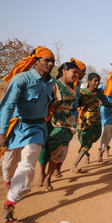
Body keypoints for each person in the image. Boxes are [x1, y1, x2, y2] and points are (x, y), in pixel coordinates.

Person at [0, 46, 56, 222]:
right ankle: (10, 186)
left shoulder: (51, 83)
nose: (50, 64)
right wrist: (1, 133)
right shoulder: (22, 79)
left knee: (28, 163)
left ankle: (10, 203)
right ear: (36, 60)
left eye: (53, 61)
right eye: (46, 60)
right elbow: (7, 105)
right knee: (8, 168)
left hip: (37, 129)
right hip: (16, 128)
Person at [37, 61, 80, 190]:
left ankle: (48, 178)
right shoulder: (54, 85)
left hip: (66, 123)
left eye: (77, 73)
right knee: (45, 149)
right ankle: (41, 173)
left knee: (57, 150)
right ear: (64, 71)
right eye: (74, 72)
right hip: (50, 120)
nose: (76, 75)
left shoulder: (72, 88)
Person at [52, 57, 86, 178]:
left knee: (65, 143)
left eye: (80, 72)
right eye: (81, 71)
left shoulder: (78, 85)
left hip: (72, 116)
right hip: (55, 117)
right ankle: (45, 173)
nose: (81, 74)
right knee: (54, 143)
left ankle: (58, 168)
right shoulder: (57, 84)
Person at [70, 73, 104, 172]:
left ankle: (75, 165)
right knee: (84, 142)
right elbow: (76, 104)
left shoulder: (99, 92)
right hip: (85, 121)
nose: (97, 83)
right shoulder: (82, 93)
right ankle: (83, 157)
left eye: (98, 81)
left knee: (87, 142)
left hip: (96, 121)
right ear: (89, 81)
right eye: (95, 81)